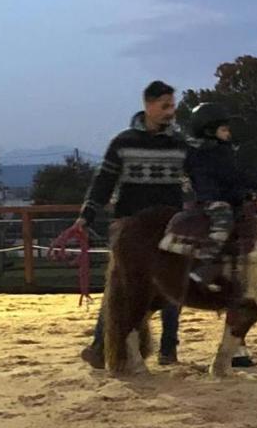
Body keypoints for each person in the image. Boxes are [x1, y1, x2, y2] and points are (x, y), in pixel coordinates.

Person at [76, 81, 188, 368]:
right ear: (148, 105)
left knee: (173, 284)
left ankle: (168, 350)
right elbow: (104, 181)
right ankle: (103, 347)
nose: (170, 112)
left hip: (168, 223)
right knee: (121, 286)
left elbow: (199, 176)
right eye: (164, 106)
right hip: (132, 225)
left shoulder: (181, 144)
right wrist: (86, 214)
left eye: (172, 106)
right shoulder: (123, 142)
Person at [181, 101, 257, 289]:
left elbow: (230, 180)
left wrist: (246, 194)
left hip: (224, 197)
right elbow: (232, 176)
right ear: (209, 131)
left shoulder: (214, 151)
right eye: (224, 130)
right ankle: (205, 265)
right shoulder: (210, 153)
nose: (228, 134)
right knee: (223, 219)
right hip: (212, 200)